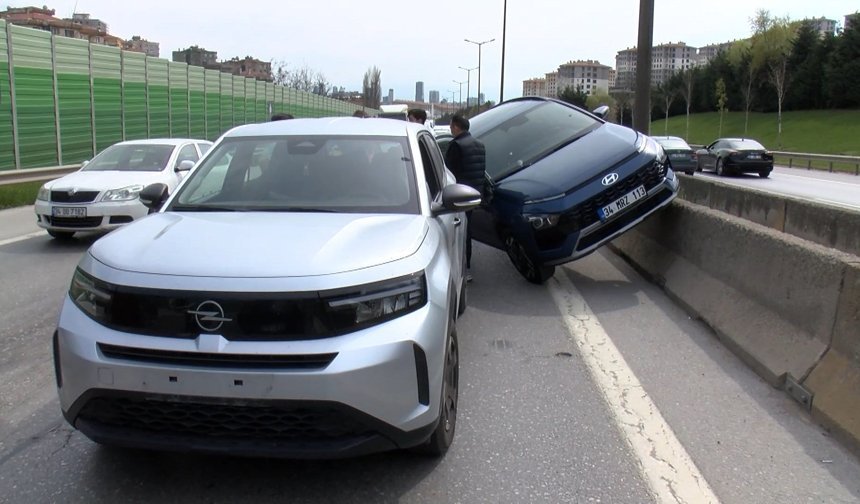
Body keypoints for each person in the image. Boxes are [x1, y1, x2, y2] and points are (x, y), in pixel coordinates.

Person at [444, 114, 486, 282]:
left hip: (459, 194)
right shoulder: (480, 145)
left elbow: (449, 172)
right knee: (467, 230)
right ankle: (467, 265)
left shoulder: (456, 145)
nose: (450, 129)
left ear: (456, 127)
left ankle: (460, 267)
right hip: (474, 194)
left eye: (450, 126)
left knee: (459, 231)